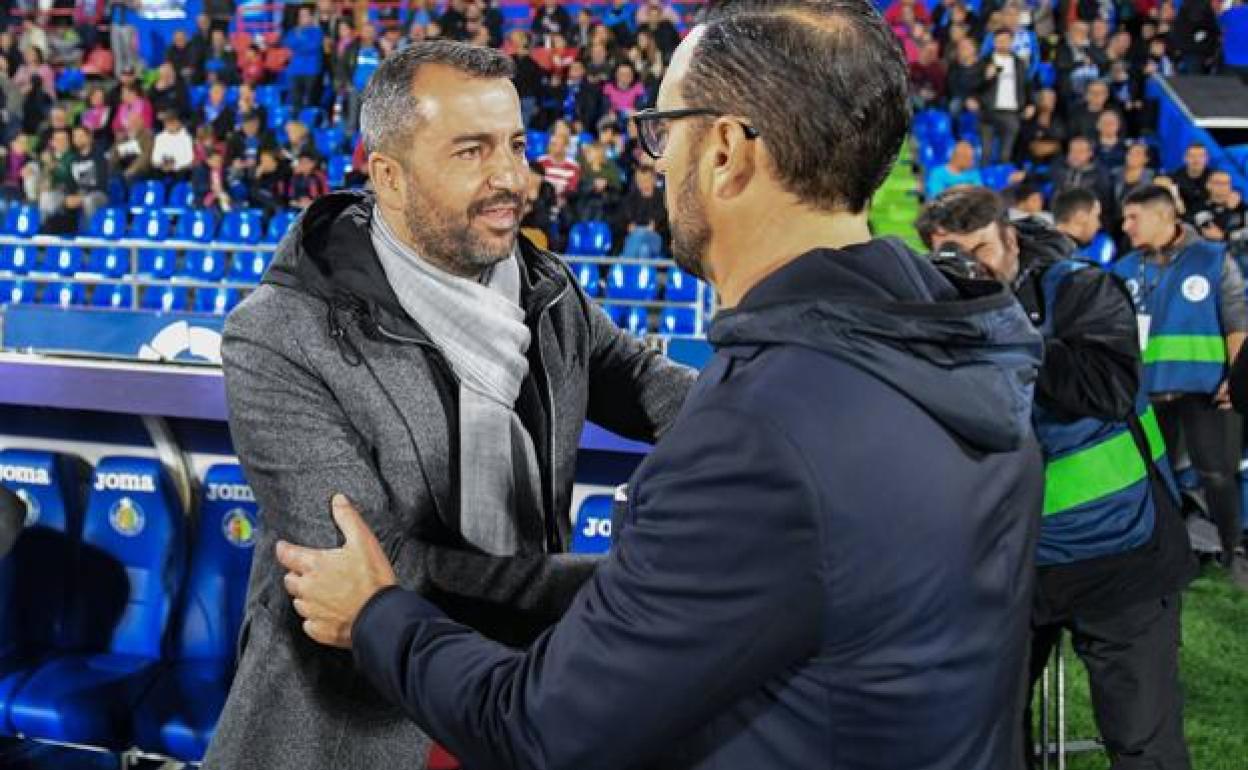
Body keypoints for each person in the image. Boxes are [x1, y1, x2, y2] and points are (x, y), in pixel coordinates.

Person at [274, 4, 1045, 769]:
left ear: (725, 152)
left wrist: (378, 616)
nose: (657, 161)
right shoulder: (965, 346)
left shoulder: (758, 437)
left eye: (663, 129)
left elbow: (544, 729)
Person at [202, 40, 695, 770]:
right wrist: (627, 586)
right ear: (389, 177)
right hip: (357, 732)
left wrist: (786, 413)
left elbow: (647, 382)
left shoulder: (544, 289)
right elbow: (380, 575)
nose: (510, 178)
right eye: (472, 151)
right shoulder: (280, 334)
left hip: (510, 703)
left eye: (516, 145)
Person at [917, 185, 1197, 770]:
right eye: (953, 255)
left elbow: (1108, 388)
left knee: (1143, 743)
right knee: (987, 739)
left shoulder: (1080, 288)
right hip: (1009, 563)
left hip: (1121, 554)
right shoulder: (933, 315)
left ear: (1011, 239)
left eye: (981, 250)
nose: (972, 268)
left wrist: (1001, 326)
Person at [1113, 185, 1248, 584]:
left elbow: (1237, 323)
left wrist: (1236, 377)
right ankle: (1167, 553)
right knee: (1157, 476)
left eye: (1133, 217)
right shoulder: (1123, 268)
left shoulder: (1213, 258)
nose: (1125, 226)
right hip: (1147, 393)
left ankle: (1233, 551)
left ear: (1162, 216)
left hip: (1207, 390)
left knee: (1218, 474)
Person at [977, 28, 1033, 165]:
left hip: (1012, 112)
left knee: (1005, 155)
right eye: (999, 41)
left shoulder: (1019, 63)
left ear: (1012, 42)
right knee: (986, 153)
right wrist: (985, 78)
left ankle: (1003, 176)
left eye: (1005, 40)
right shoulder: (984, 62)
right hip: (989, 111)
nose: (1002, 44)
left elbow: (1027, 85)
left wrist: (1030, 104)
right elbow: (974, 86)